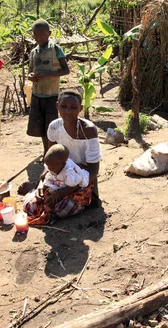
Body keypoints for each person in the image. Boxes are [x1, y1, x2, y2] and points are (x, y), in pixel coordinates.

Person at [23, 89, 101, 224]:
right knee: (31, 205)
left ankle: (84, 201)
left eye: (73, 107)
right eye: (64, 106)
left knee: (60, 207)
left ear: (80, 109)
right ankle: (35, 191)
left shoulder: (88, 130)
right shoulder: (54, 127)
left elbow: (93, 171)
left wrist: (63, 192)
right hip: (56, 176)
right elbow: (49, 160)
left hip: (81, 177)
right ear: (57, 105)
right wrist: (42, 184)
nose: (68, 111)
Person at [27, 19, 70, 156]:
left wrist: (48, 74)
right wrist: (31, 77)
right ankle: (47, 151)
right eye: (36, 36)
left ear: (49, 34)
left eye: (42, 35)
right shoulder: (34, 52)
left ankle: (53, 152)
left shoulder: (56, 50)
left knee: (51, 126)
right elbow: (29, 72)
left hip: (51, 95)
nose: (39, 38)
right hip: (37, 94)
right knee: (40, 127)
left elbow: (66, 70)